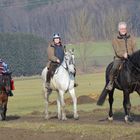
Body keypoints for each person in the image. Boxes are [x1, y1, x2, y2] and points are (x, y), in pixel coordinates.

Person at [106, 22, 136, 91]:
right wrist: (123, 54)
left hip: (131, 58)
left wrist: (134, 55)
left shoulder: (131, 37)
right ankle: (111, 82)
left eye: (124, 28)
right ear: (119, 29)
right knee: (114, 68)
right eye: (122, 29)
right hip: (119, 58)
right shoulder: (115, 39)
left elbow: (135, 47)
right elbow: (117, 50)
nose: (123, 30)